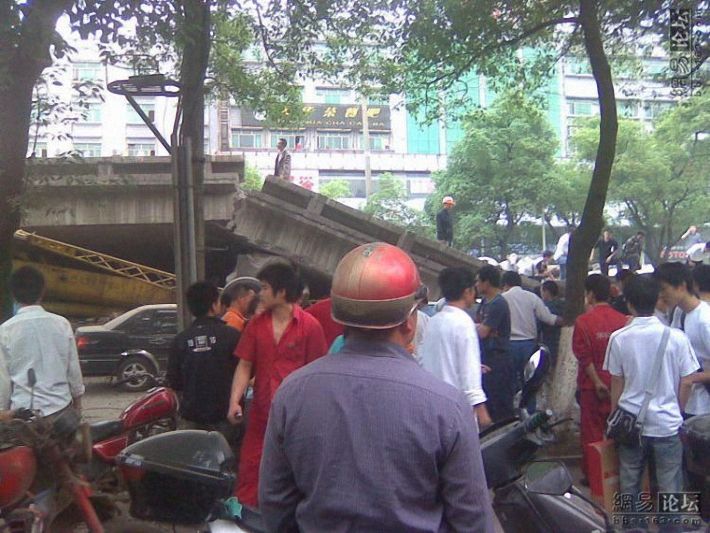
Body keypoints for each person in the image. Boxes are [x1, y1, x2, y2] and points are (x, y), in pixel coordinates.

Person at [258, 242, 495, 532]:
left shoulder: (292, 393)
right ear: (409, 322)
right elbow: (471, 520)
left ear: (339, 315)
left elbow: (275, 504)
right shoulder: (447, 405)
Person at [227, 261, 327, 508]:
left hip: (296, 415)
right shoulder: (255, 326)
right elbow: (245, 365)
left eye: (264, 287)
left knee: (294, 469)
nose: (259, 293)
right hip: (261, 411)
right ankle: (245, 517)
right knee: (251, 467)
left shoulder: (310, 327)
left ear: (281, 292)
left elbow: (318, 373)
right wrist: (234, 401)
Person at [603, 275, 699, 528]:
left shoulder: (619, 338)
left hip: (631, 425)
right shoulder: (676, 337)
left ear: (629, 303)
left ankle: (635, 528)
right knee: (670, 487)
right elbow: (688, 380)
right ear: (657, 300)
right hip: (667, 426)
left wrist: (615, 418)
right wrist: (676, 409)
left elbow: (617, 383)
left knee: (630, 484)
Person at [0, 266, 84, 417]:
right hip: (62, 414)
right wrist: (77, 407)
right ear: (43, 291)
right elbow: (74, 371)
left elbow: (3, 380)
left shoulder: (5, 331)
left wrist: (3, 413)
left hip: (24, 418)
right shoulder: (62, 324)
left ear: (13, 294)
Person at [167, 281, 241, 443]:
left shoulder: (180, 340)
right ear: (214, 305)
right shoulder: (232, 336)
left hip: (192, 418)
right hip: (227, 416)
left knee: (194, 463)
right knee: (227, 460)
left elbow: (174, 381)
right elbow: (245, 372)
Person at [572, 274, 627, 483]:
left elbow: (584, 357)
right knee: (617, 432)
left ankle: (594, 476)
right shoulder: (622, 320)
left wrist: (596, 382)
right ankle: (616, 473)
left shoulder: (583, 322)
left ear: (591, 294)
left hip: (591, 388)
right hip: (618, 385)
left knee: (592, 433)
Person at [421, 267, 492, 428]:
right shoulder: (464, 323)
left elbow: (426, 359)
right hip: (456, 410)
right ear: (467, 291)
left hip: (431, 405)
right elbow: (469, 376)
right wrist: (483, 414)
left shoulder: (434, 321)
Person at [655, 263, 710, 417]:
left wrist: (691, 378)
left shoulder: (705, 320)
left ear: (681, 286)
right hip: (686, 402)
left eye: (664, 289)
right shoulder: (679, 312)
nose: (661, 295)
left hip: (703, 408)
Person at [501, 271, 562, 390]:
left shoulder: (502, 299)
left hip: (509, 346)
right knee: (530, 381)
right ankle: (529, 408)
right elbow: (548, 318)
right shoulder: (532, 297)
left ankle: (512, 407)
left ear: (505, 284)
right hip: (529, 346)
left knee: (509, 382)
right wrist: (567, 322)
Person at [474, 265, 515, 422]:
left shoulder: (498, 303)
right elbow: (480, 327)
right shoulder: (484, 302)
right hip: (486, 357)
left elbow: (482, 331)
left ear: (487, 282)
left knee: (500, 403)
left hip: (498, 360)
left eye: (478, 281)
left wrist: (478, 328)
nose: (476, 285)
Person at [540, 280, 564, 368]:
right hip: (563, 342)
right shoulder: (564, 305)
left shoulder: (543, 307)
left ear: (546, 292)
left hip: (548, 343)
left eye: (542, 291)